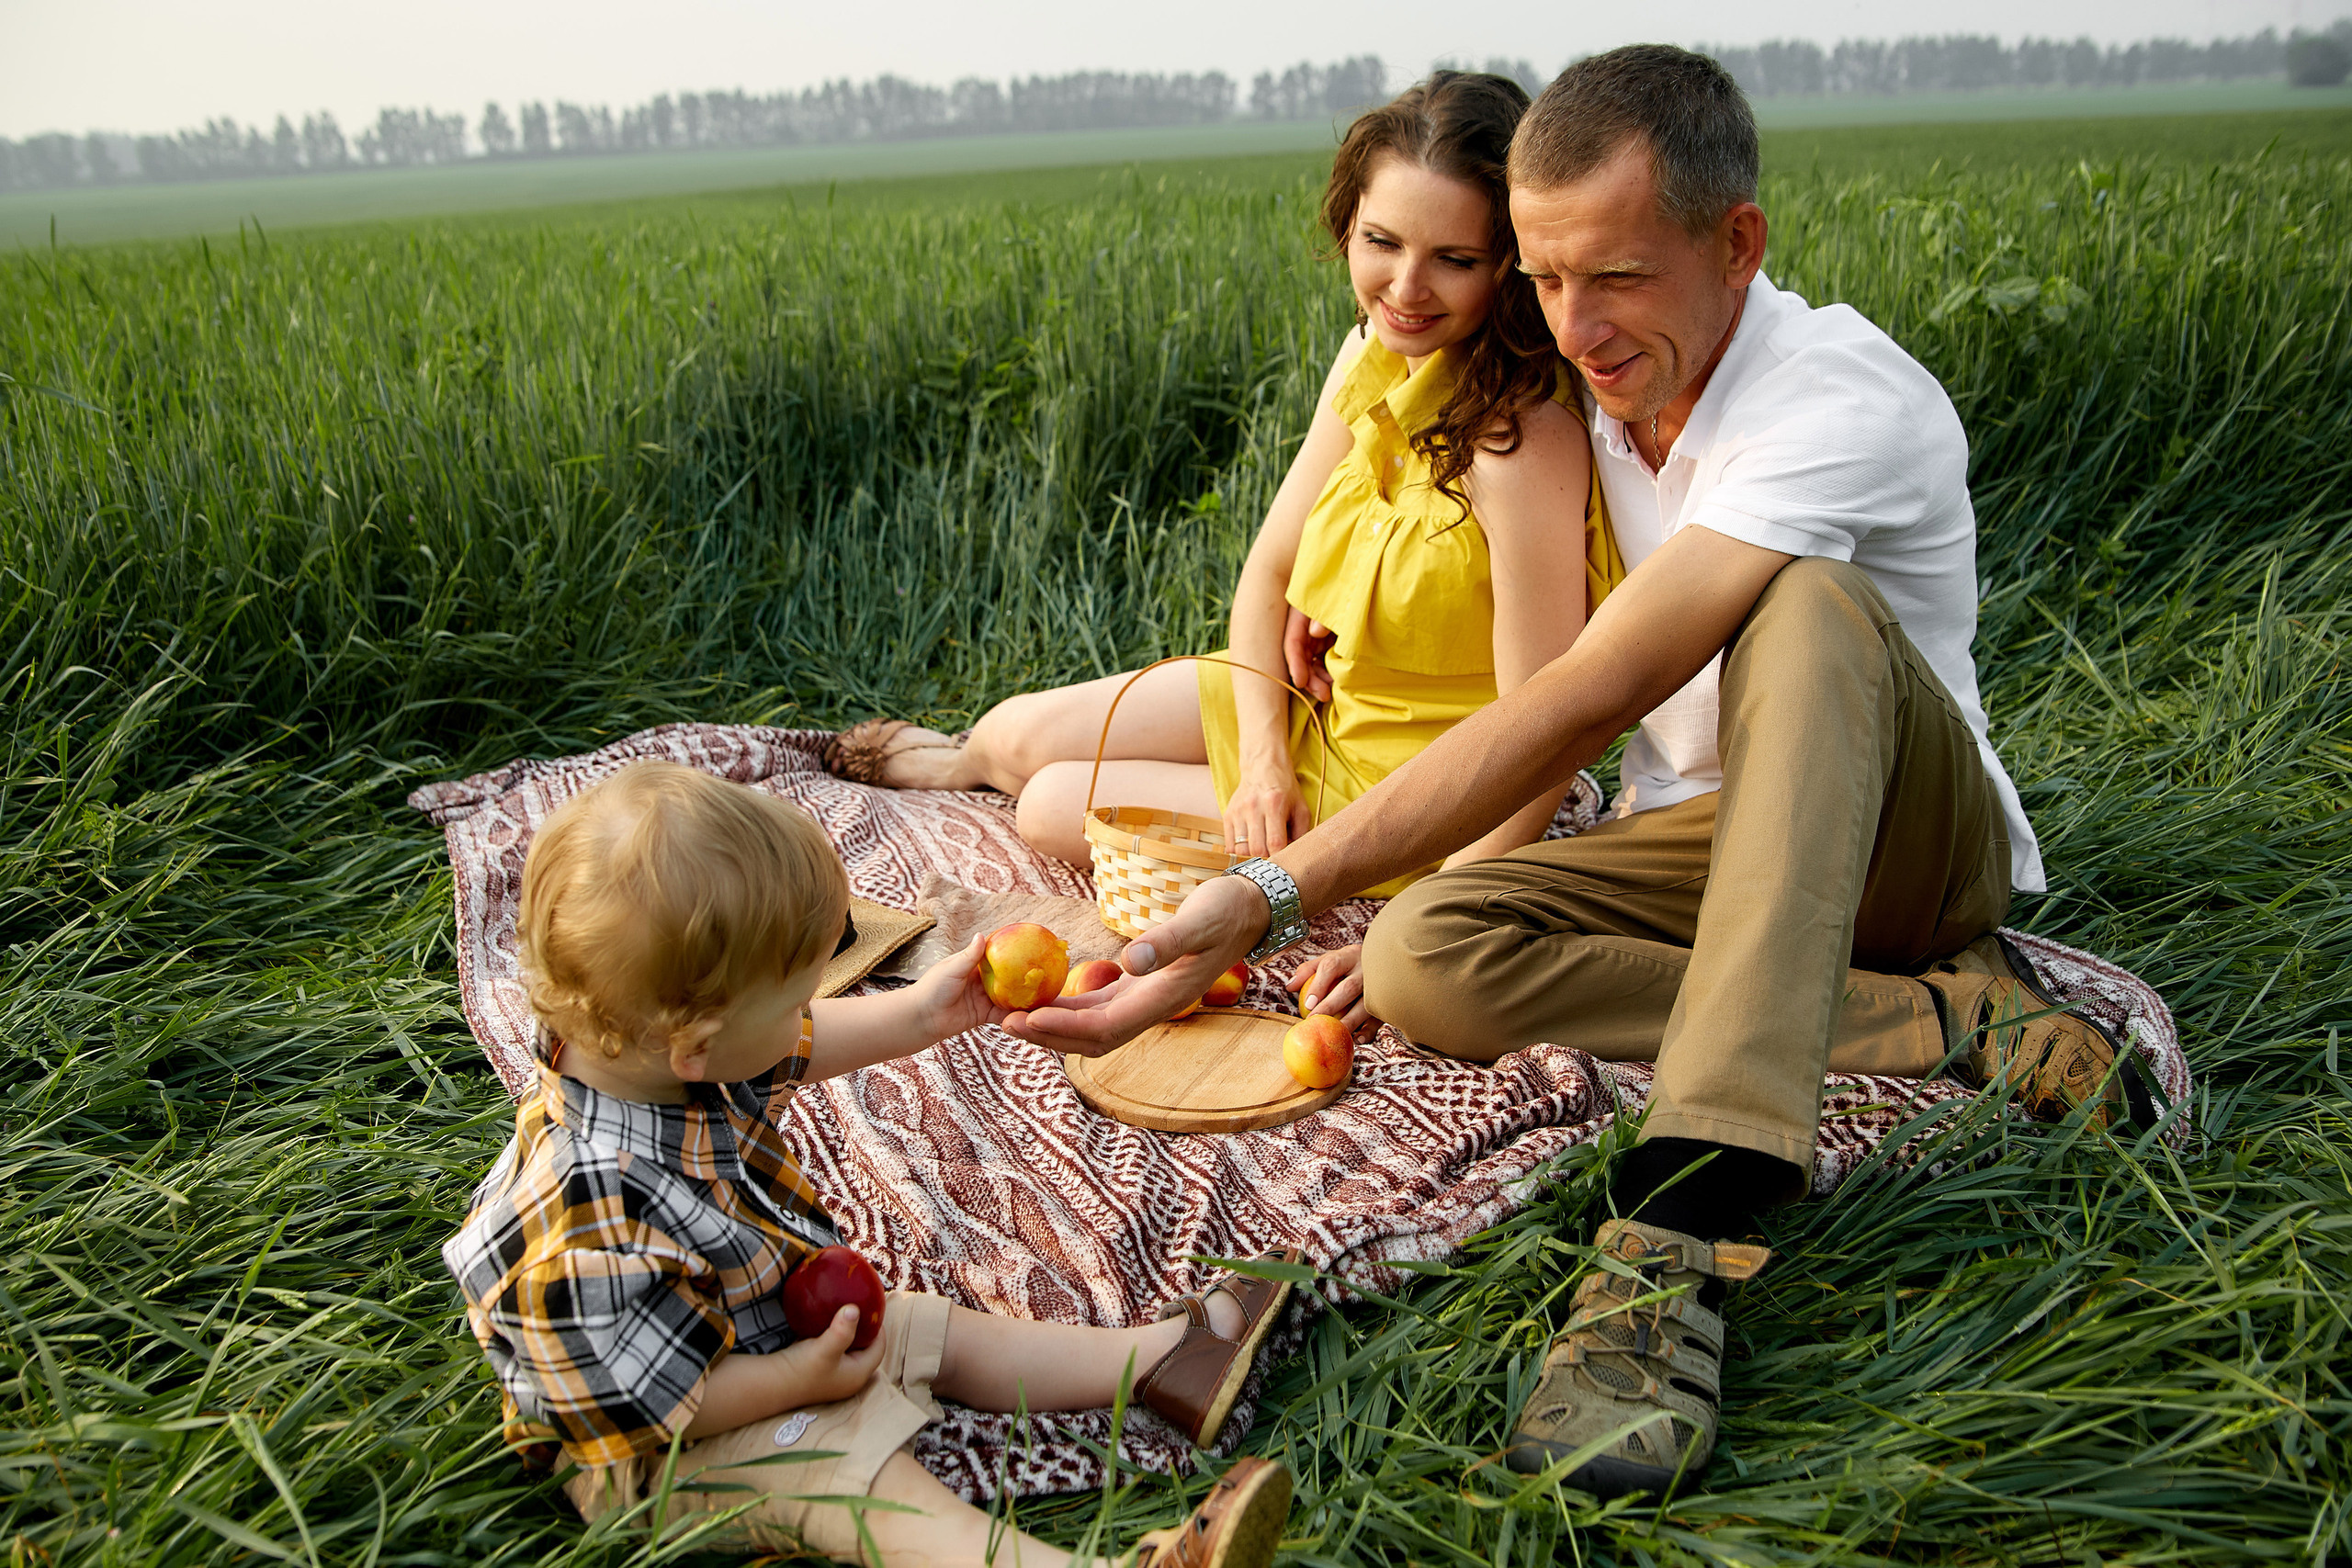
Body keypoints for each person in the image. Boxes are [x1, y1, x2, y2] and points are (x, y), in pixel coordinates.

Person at [1008, 46, 2147, 1503]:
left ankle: (1677, 1229)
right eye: (1543, 279)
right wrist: (1333, 607)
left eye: (1612, 275)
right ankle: (1944, 1019)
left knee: (1798, 604)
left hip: (1908, 845)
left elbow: (1584, 693)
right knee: (1424, 949)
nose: (1575, 324)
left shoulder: (1836, 396)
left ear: (1736, 243)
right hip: (1711, 848)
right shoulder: (1584, 380)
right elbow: (1418, 458)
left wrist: (1271, 890)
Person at [823, 70, 1621, 1029]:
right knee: (1016, 732)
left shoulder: (1518, 440)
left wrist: (1429, 912)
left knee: (1049, 806)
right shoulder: (1371, 352)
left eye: (1453, 257)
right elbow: (1267, 573)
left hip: (1403, 783)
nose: (1405, 288)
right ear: (1348, 224)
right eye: (1380, 242)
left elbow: (1541, 732)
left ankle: (993, 771)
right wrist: (1260, 770)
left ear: (1512, 266)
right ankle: (962, 762)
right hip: (1314, 709)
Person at [440, 761, 1295, 1568]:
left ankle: (1162, 1358)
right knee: (860, 1476)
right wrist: (792, 1379)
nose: (811, 1013)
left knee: (930, 1329)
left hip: (751, 1324)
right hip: (660, 1445)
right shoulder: (581, 1225)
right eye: (795, 999)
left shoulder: (659, 1053)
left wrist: (930, 1011)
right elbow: (663, 1397)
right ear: (699, 1045)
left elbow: (805, 1044)